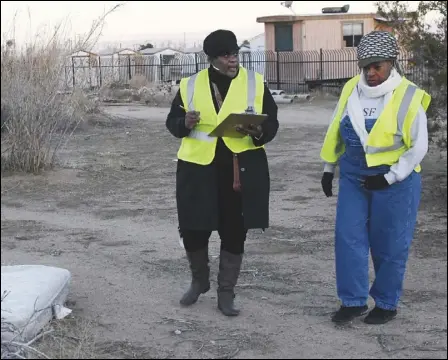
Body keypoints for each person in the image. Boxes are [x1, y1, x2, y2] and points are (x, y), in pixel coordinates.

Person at [320, 31, 431, 325]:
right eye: (366, 66)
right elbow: (335, 128)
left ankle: (386, 302)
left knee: (390, 243)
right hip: (354, 178)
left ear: (391, 63)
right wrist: (328, 168)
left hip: (396, 182)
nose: (371, 72)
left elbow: (418, 146)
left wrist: (391, 177)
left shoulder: (408, 95)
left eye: (377, 66)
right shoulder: (350, 90)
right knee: (348, 237)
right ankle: (353, 301)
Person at [166, 29, 279, 317]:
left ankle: (226, 292)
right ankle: (199, 281)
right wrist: (185, 122)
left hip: (239, 171)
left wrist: (258, 131)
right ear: (212, 59)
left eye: (235, 54)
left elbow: (272, 124)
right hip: (197, 169)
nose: (233, 60)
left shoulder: (255, 83)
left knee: (234, 231)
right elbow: (172, 122)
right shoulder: (190, 85)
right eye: (226, 55)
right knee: (193, 228)